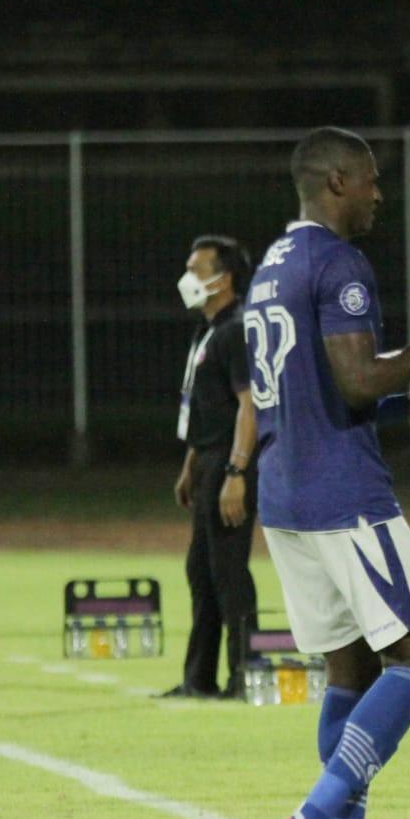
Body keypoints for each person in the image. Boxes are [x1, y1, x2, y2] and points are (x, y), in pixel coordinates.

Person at [253, 127, 410, 819]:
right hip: (343, 496)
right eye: (373, 180)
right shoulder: (338, 261)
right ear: (338, 181)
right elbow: (354, 380)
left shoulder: (273, 263)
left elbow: (319, 388)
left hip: (285, 495)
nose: (381, 193)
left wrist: (403, 402)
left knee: (347, 671)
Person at [159, 235, 260, 700]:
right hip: (208, 460)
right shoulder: (208, 330)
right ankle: (199, 679)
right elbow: (206, 407)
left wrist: (236, 473)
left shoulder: (237, 329)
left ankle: (246, 676)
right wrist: (191, 465)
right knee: (202, 570)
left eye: (198, 270)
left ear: (226, 278)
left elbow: (249, 406)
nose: (189, 279)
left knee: (228, 572)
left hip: (229, 463)